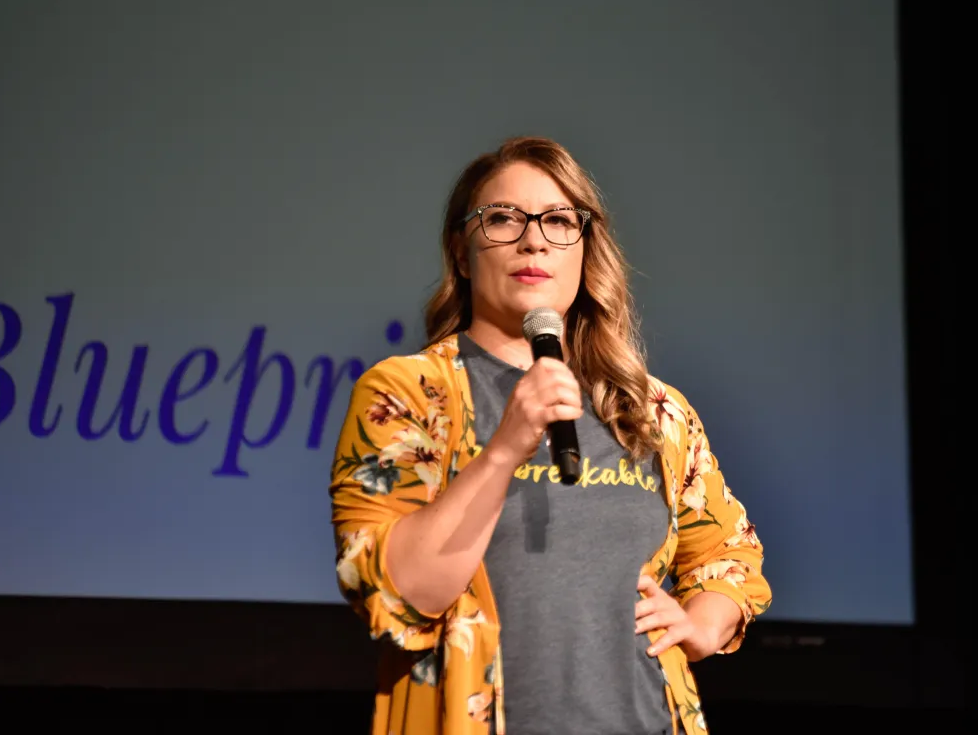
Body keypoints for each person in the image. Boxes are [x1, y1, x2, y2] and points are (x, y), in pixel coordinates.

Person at [329, 136, 771, 735]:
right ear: (462, 253)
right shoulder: (409, 395)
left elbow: (730, 555)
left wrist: (698, 627)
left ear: (586, 252)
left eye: (559, 220)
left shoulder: (651, 409)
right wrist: (505, 447)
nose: (533, 238)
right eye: (502, 219)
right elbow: (398, 596)